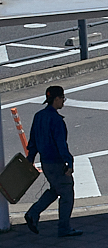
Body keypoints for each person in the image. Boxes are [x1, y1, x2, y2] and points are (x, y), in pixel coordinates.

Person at [25, 85, 81, 237]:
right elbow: (61, 144)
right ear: (56, 99)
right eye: (62, 98)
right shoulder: (56, 120)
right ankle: (63, 228)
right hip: (56, 162)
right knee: (67, 193)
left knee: (55, 190)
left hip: (45, 162)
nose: (63, 101)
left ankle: (33, 213)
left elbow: (32, 141)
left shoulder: (38, 116)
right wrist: (69, 163)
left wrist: (30, 159)